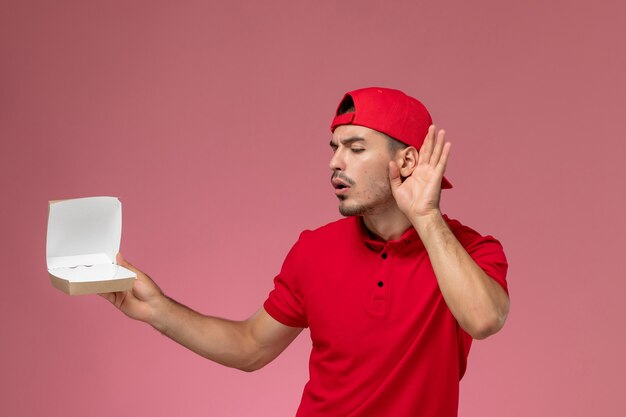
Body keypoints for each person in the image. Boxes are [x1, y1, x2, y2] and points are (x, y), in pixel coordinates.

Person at [101, 87, 510, 417]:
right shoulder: (314, 249)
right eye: (334, 147)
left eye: (355, 147)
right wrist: (157, 309)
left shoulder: (470, 250)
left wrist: (426, 216)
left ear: (406, 161)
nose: (335, 161)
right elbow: (251, 346)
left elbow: (483, 319)